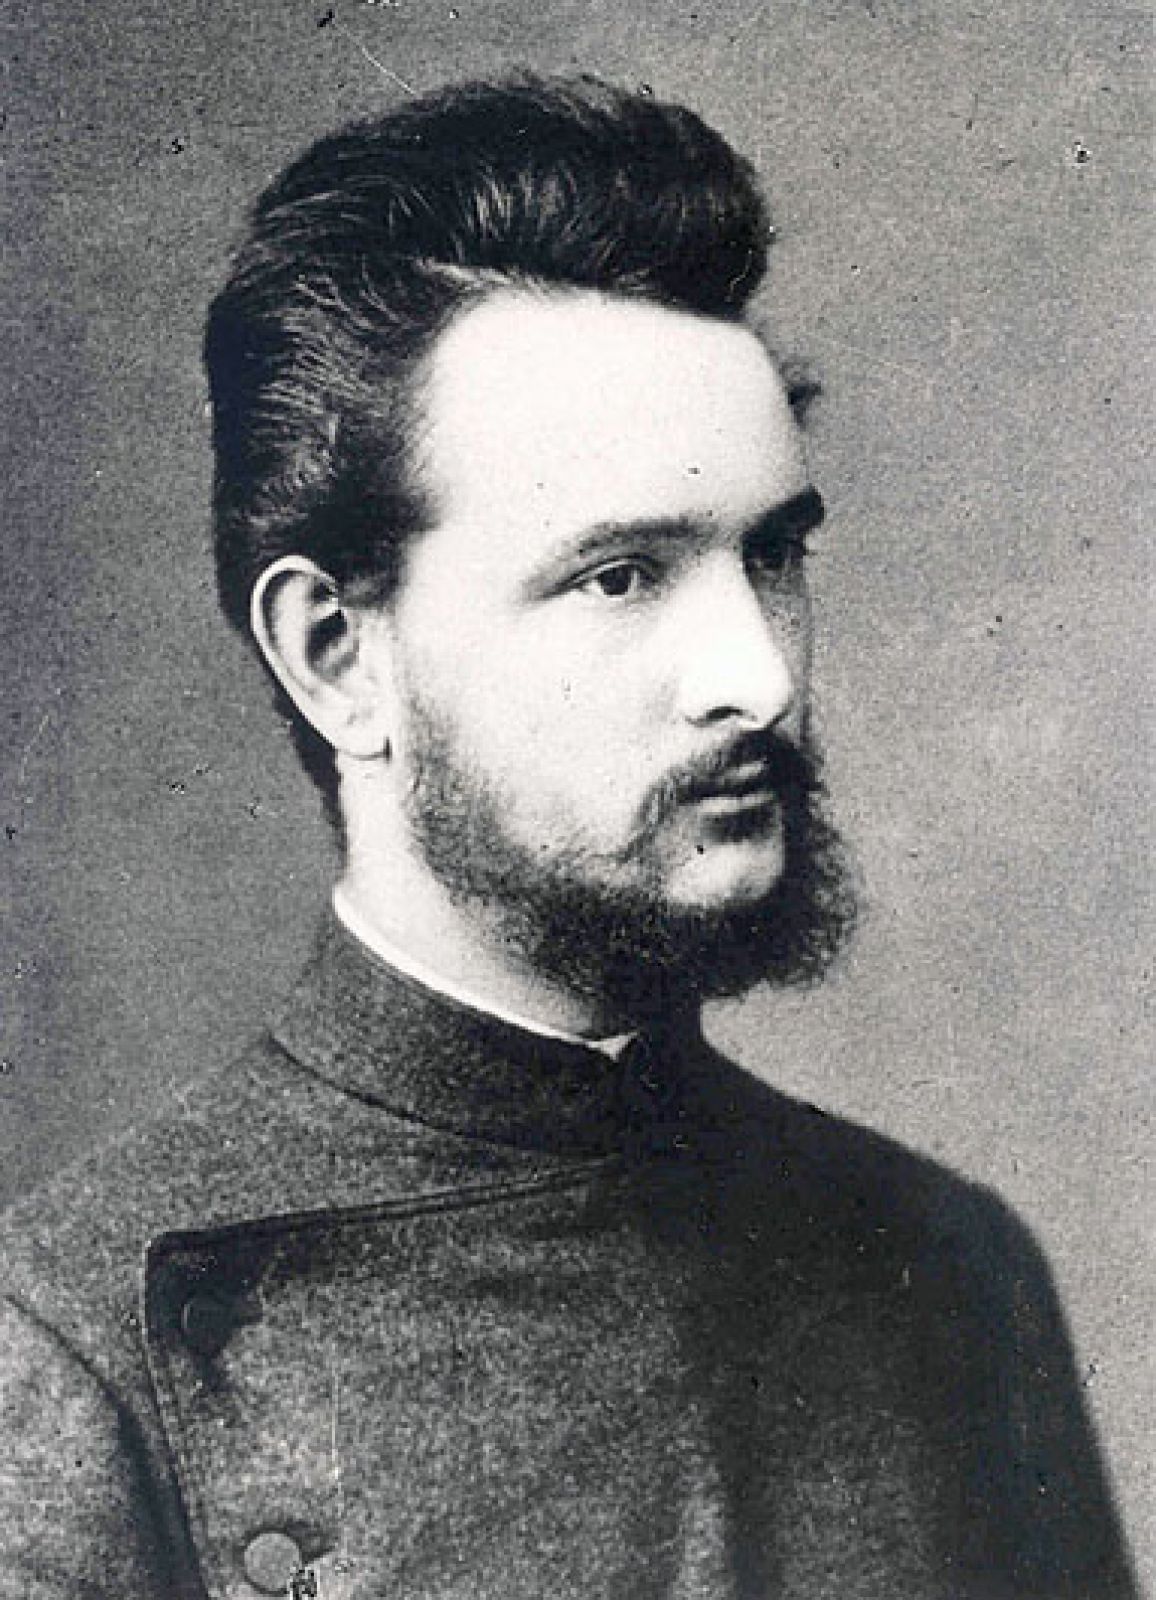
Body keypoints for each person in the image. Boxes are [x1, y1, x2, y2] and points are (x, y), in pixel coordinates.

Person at [0, 75, 1136, 1600]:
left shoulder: (948, 1272)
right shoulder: (66, 1356)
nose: (759, 677)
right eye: (620, 576)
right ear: (337, 656)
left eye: (771, 556)